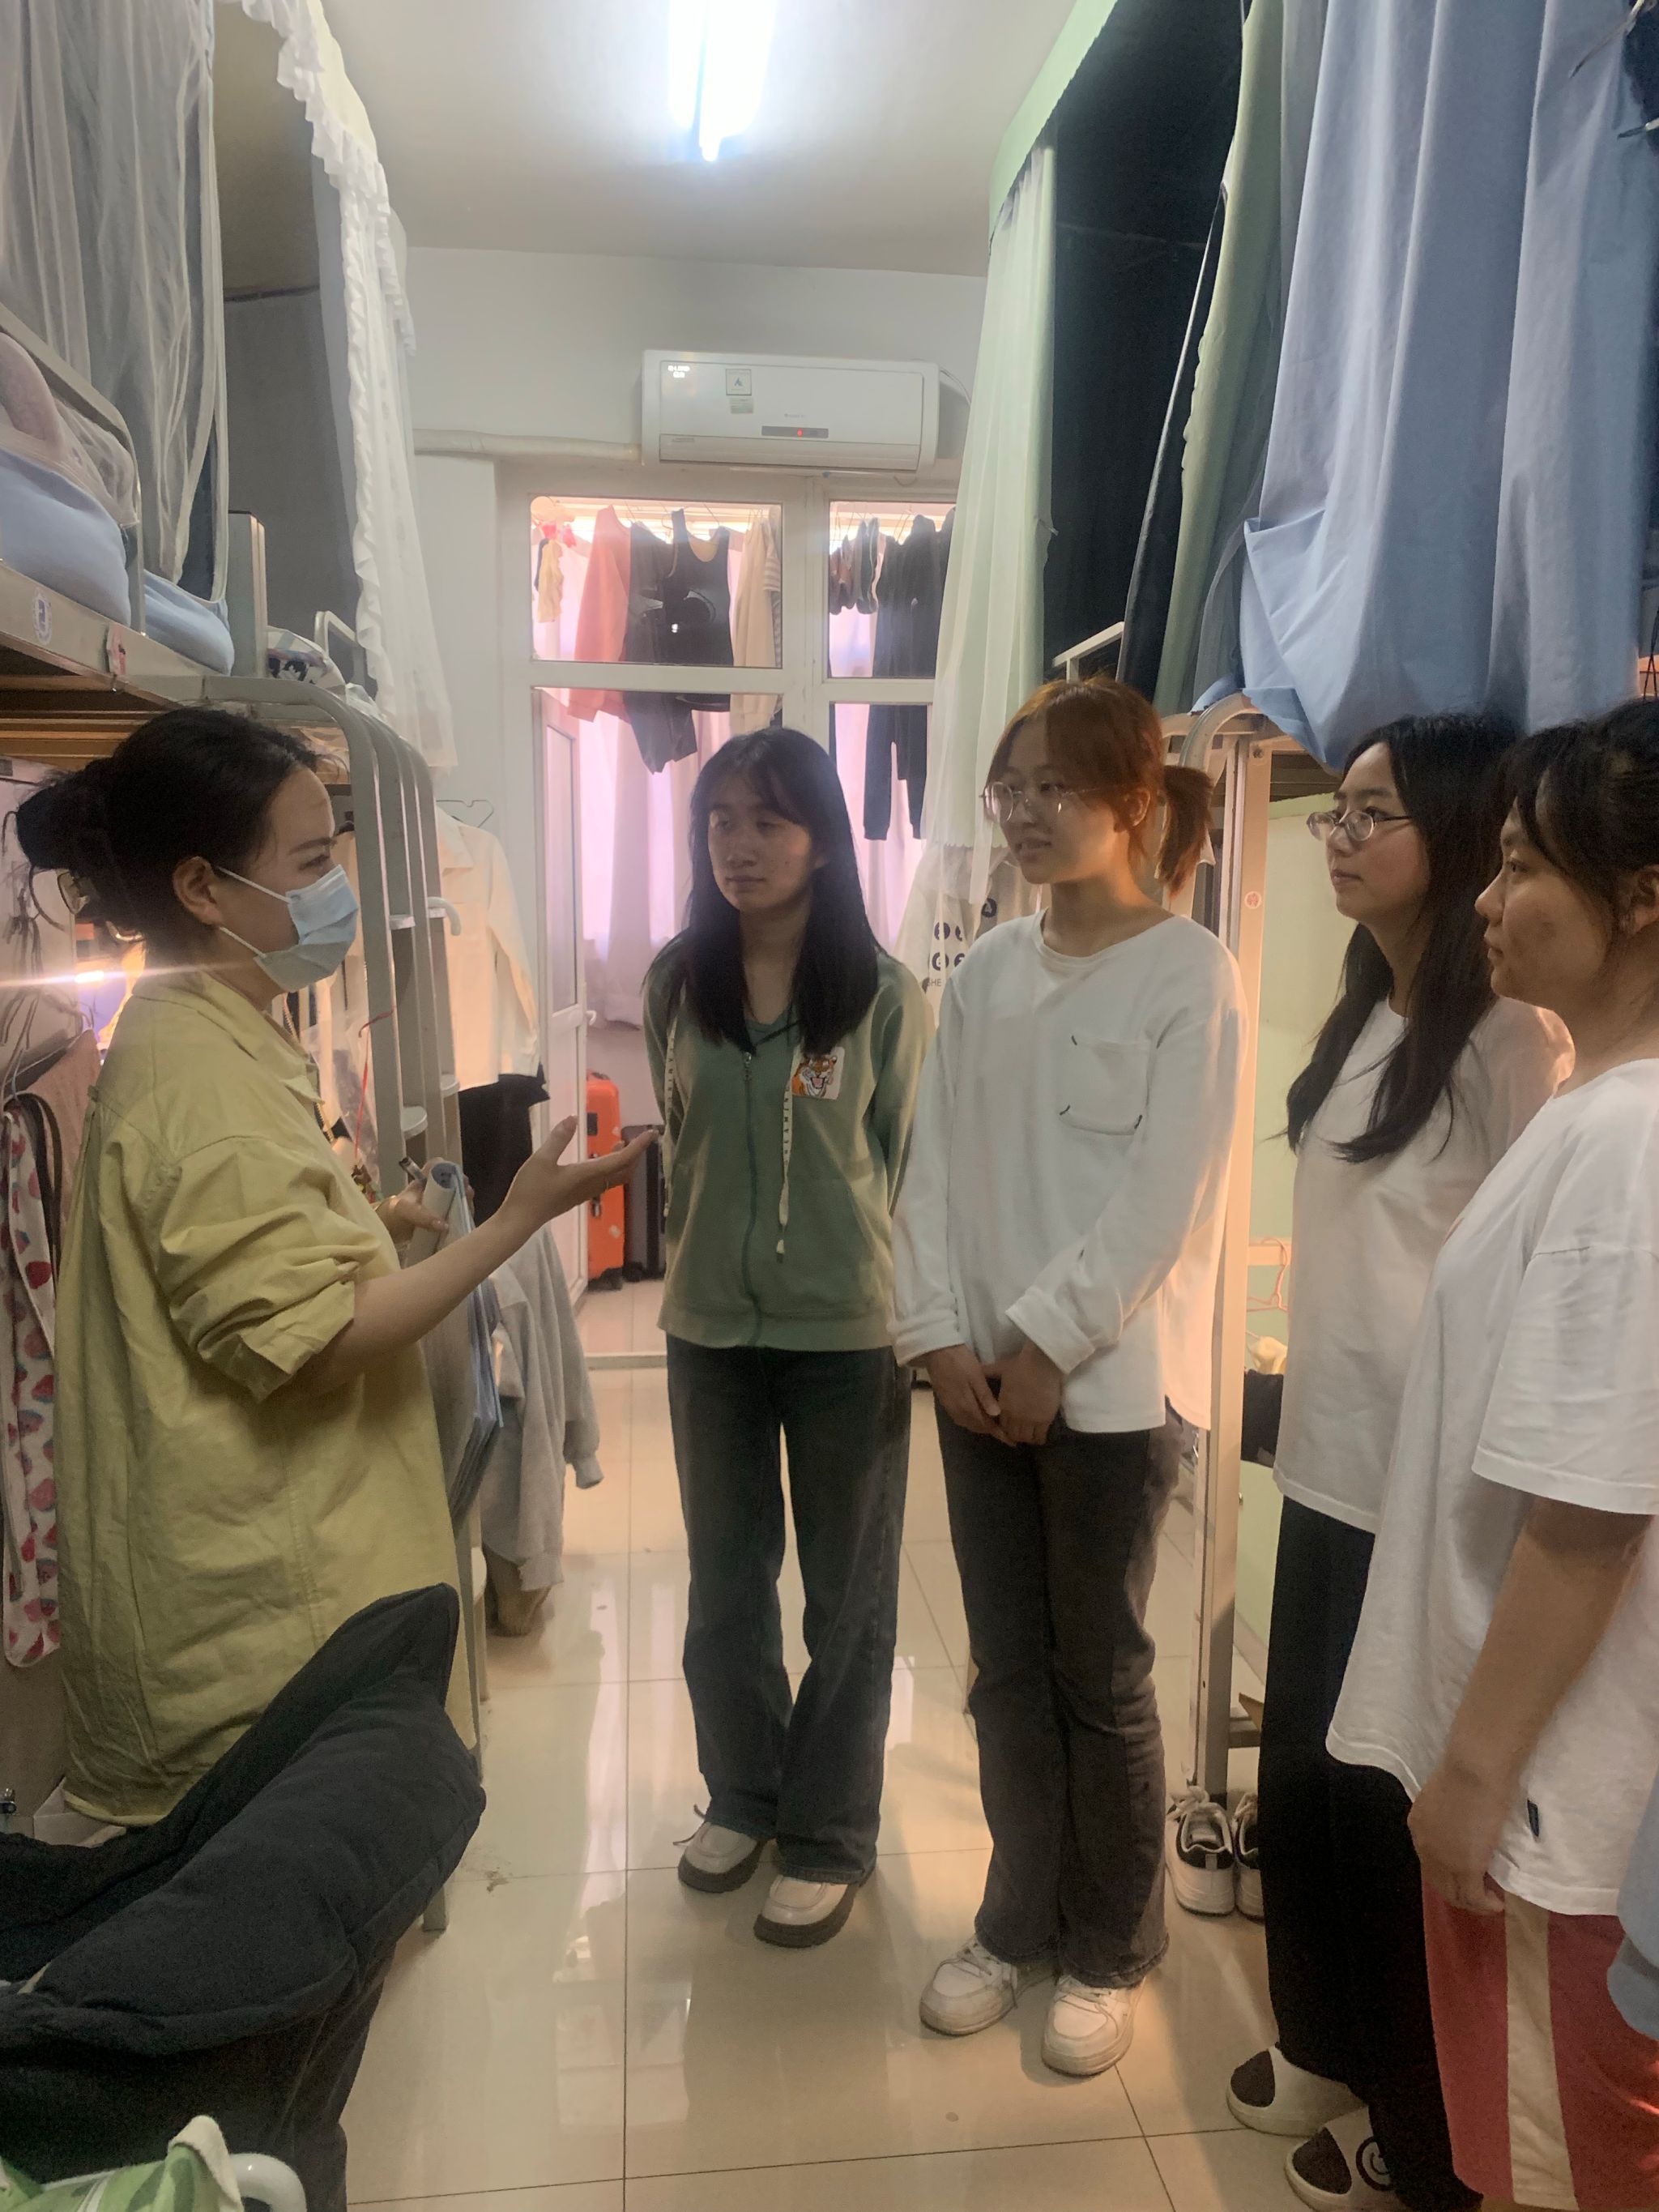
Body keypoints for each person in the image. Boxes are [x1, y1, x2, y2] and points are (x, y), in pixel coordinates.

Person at [22, 707, 649, 1829]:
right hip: (257, 1628)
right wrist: (514, 1222)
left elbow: (262, 1263)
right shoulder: (197, 1082)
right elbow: (318, 1343)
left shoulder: (225, 1028)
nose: (337, 889)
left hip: (285, 1583)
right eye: (312, 863)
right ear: (204, 887)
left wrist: (374, 1226)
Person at [1226, 716, 1571, 2212]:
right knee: (1303, 1781)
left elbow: (1525, 1286)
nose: (1342, 835)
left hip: (1424, 1503)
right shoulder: (1368, 1010)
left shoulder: (1515, 1040)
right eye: (1337, 812)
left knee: (1383, 1808)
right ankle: (1323, 2035)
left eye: (1374, 812)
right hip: (1326, 1466)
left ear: (1459, 825)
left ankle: (1415, 2117)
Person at [1330, 702, 1659, 2212]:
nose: (1487, 895)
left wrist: (1474, 1776)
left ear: (1640, 896)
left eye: (1522, 865)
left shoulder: (1626, 1144)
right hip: (1551, 1776)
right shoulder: (1598, 1106)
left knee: (1554, 2175)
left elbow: (1589, 1510)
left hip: (1550, 1798)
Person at [893, 677, 1243, 2077]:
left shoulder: (1190, 974)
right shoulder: (987, 970)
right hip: (976, 1382)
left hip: (1105, 1390)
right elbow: (931, 1166)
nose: (1026, 812)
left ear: (1135, 801)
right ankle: (1015, 1919)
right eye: (1012, 786)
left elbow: (1163, 1200)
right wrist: (936, 1335)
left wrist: (1046, 1344)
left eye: (1056, 785)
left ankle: (1110, 1943)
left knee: (1100, 1674)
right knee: (1005, 1673)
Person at [644, 727, 930, 1949]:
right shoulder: (677, 980)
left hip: (846, 1336)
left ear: (822, 839)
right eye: (721, 820)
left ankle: (829, 1832)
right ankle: (744, 1794)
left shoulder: (884, 993)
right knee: (724, 1585)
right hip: (708, 1330)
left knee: (847, 1601)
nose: (740, 844)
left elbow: (909, 1162)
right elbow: (681, 1134)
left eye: (768, 820)